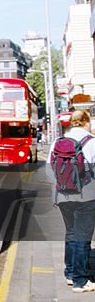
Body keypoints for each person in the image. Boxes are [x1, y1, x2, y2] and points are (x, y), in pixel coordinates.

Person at [48, 109, 95, 292]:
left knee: (71, 233)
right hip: (86, 196)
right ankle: (80, 281)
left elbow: (49, 171)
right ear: (85, 122)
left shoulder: (58, 142)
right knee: (83, 237)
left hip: (63, 196)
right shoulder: (91, 142)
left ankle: (69, 273)